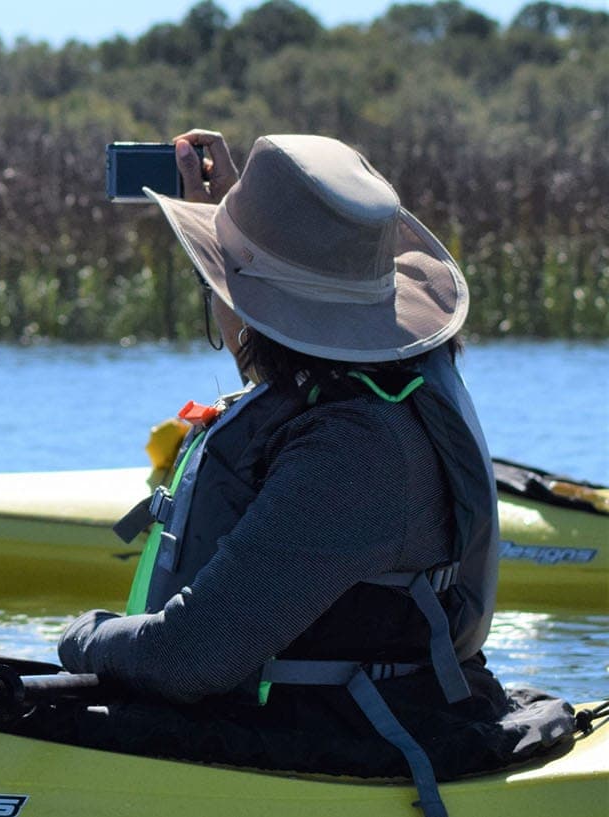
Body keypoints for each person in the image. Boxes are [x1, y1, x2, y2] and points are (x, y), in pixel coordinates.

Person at [36, 131, 574, 817]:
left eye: (227, 281)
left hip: (349, 738)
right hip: (361, 705)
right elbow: (286, 371)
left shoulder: (355, 451)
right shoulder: (377, 387)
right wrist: (240, 237)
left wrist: (79, 637)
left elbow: (188, 655)